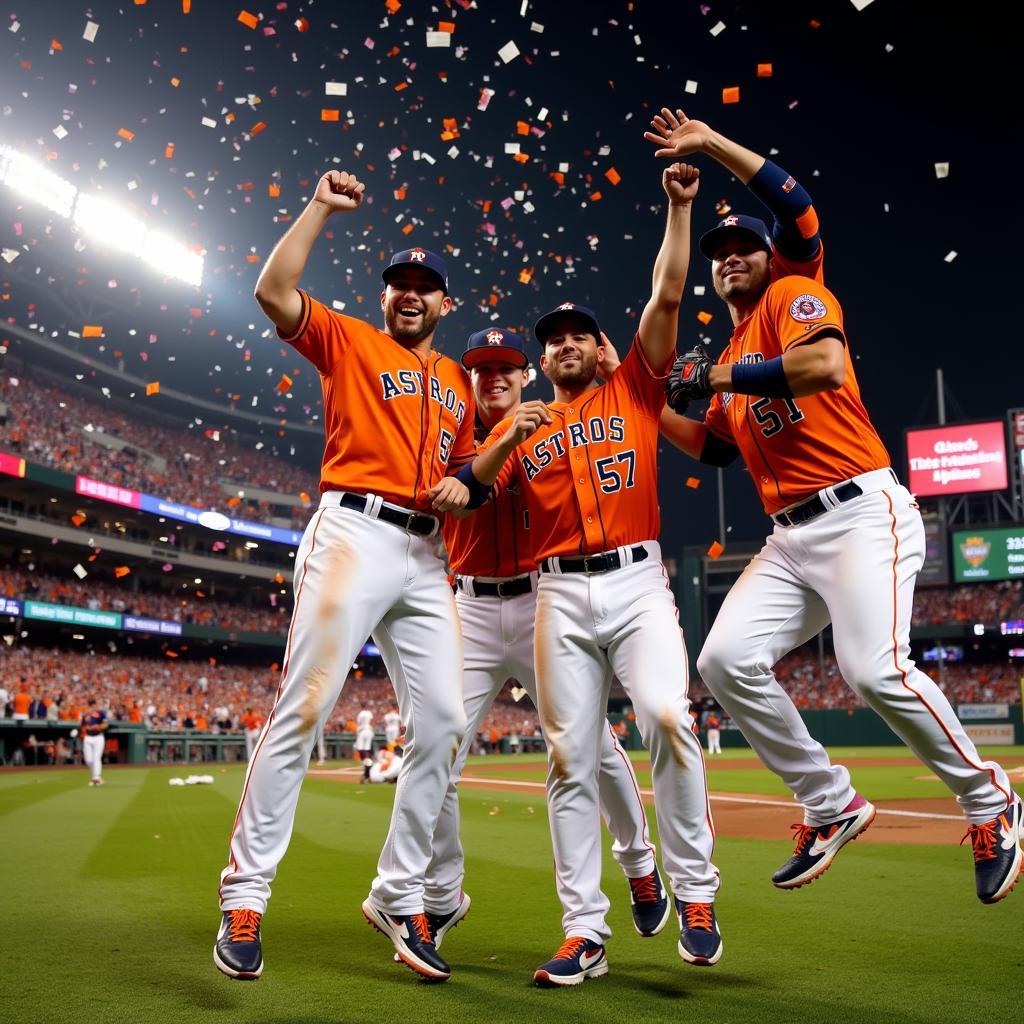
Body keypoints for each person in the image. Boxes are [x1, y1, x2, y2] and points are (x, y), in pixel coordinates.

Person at [646, 107, 1023, 902]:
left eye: (742, 246)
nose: (730, 260)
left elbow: (817, 359)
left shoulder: (795, 292)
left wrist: (712, 144)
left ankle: (993, 803)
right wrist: (642, 402)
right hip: (788, 540)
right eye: (719, 256)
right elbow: (715, 448)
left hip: (860, 514)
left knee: (874, 669)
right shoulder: (733, 352)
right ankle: (831, 803)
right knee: (722, 662)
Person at [446, 161, 722, 984]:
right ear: (543, 359)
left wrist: (679, 207)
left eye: (579, 336)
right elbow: (463, 495)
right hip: (557, 592)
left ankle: (696, 888)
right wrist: (501, 436)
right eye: (553, 339)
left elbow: (668, 296)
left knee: (668, 717)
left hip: (638, 585)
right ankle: (583, 931)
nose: (565, 344)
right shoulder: (527, 426)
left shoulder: (636, 388)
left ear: (604, 349)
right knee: (568, 758)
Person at [214, 169, 476, 984]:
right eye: (399, 283)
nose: (409, 295)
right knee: (307, 706)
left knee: (445, 725)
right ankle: (245, 897)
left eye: (424, 288)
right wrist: (321, 206)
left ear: (445, 306)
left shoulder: (463, 383)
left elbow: (466, 472)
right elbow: (273, 288)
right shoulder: (351, 340)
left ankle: (400, 893)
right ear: (386, 296)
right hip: (353, 530)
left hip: (427, 553)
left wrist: (468, 481)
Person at [422, 328, 668, 960]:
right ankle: (441, 893)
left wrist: (615, 376)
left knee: (593, 746)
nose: (494, 379)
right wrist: (504, 438)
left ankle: (638, 861)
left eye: (506, 369)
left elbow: (608, 447)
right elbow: (456, 499)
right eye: (482, 371)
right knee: (438, 747)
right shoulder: (454, 433)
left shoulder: (554, 425)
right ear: (470, 380)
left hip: (542, 595)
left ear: (525, 374)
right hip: (472, 605)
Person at [81, 698, 108, 786]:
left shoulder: (101, 713)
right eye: (90, 704)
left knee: (96, 758)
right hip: (88, 737)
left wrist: (99, 726)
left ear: (96, 704)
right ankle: (96, 777)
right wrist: (86, 729)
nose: (92, 706)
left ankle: (96, 777)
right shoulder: (85, 715)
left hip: (98, 737)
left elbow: (106, 724)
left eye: (93, 704)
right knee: (88, 760)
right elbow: (82, 726)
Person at [354, 704, 374, 783]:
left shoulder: (360, 714)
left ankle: (367, 766)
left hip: (362, 731)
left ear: (361, 706)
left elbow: (359, 724)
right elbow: (372, 722)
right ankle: (367, 766)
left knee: (361, 750)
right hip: (369, 731)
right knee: (367, 750)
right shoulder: (369, 713)